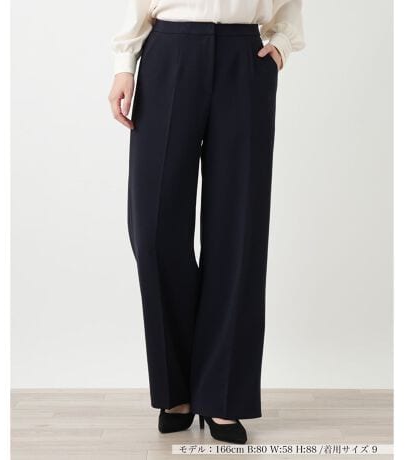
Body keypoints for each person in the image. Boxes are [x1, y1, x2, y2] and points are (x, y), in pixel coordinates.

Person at [108, 0, 305, 444]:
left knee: (239, 229)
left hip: (244, 57)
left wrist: (281, 43)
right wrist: (124, 65)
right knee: (154, 230)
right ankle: (176, 389)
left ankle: (222, 394)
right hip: (169, 51)